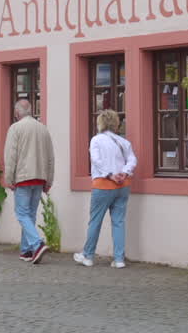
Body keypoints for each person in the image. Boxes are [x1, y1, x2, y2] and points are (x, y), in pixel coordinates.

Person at [73, 109, 135, 269]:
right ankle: (119, 259)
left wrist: (110, 174)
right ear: (116, 124)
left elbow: (96, 160)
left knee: (95, 221)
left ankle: (88, 255)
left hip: (103, 184)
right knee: (119, 222)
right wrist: (124, 172)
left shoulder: (96, 140)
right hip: (123, 186)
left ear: (100, 123)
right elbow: (132, 159)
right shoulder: (123, 141)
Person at [2, 99, 54, 264]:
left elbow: (11, 156)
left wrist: (9, 178)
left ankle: (37, 244)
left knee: (22, 214)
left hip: (23, 177)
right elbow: (50, 157)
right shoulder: (43, 129)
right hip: (40, 177)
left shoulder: (15, 128)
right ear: (30, 111)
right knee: (30, 214)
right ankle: (27, 251)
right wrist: (49, 180)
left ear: (17, 113)